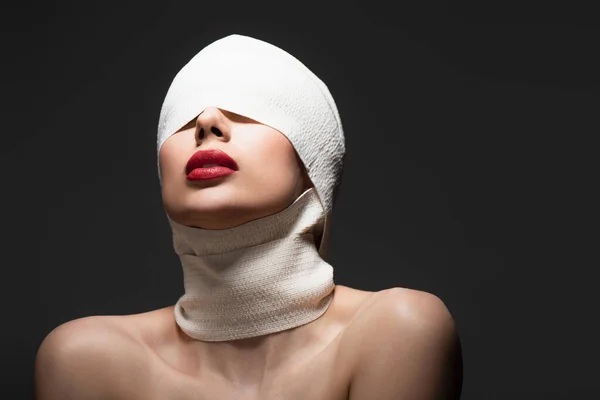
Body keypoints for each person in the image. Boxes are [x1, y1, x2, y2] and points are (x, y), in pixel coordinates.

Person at [34, 34, 462, 399]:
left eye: (255, 106)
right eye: (182, 117)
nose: (206, 121)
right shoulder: (87, 361)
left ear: (313, 162)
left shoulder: (397, 332)